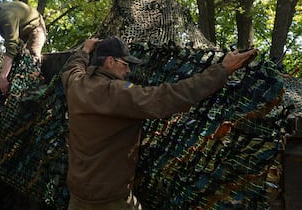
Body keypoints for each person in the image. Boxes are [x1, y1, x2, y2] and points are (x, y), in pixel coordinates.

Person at [61, 36, 258, 210]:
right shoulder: (118, 92)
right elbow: (168, 97)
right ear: (110, 62)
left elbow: (71, 68)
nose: (129, 70)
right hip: (111, 198)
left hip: (78, 194)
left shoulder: (76, 84)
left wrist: (85, 50)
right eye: (125, 64)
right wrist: (222, 70)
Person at [0, 1, 47, 94]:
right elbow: (10, 43)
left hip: (35, 26)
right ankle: (16, 91)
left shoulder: (7, 16)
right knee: (17, 61)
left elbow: (11, 46)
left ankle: (35, 90)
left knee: (32, 57)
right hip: (19, 31)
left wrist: (3, 76)